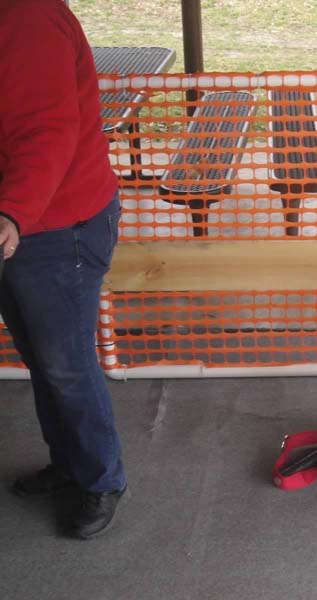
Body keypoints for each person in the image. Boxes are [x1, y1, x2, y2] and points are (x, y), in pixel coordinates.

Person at [0, 0, 127, 539]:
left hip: (54, 225)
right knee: (43, 358)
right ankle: (70, 463)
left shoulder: (24, 17)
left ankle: (102, 479)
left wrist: (11, 212)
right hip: (22, 223)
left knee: (66, 364)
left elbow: (47, 130)